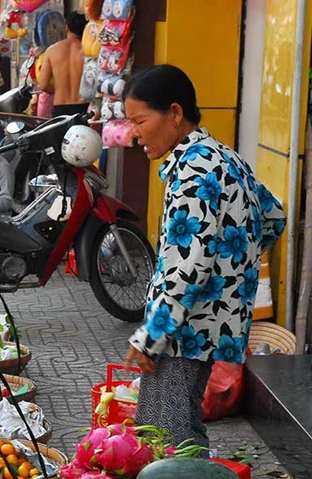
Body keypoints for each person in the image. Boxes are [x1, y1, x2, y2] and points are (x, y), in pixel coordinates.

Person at [122, 64, 286, 450]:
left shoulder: (195, 172)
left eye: (140, 120)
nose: (134, 132)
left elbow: (187, 267)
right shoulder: (225, 158)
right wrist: (233, 267)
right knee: (179, 431)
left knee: (169, 439)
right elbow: (273, 217)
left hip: (185, 327)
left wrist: (152, 335)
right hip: (216, 323)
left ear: (175, 113)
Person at [38, 12, 88, 117]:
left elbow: (43, 85)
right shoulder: (89, 51)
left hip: (61, 107)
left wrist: (61, 88)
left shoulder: (51, 51)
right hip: (84, 107)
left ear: (67, 28)